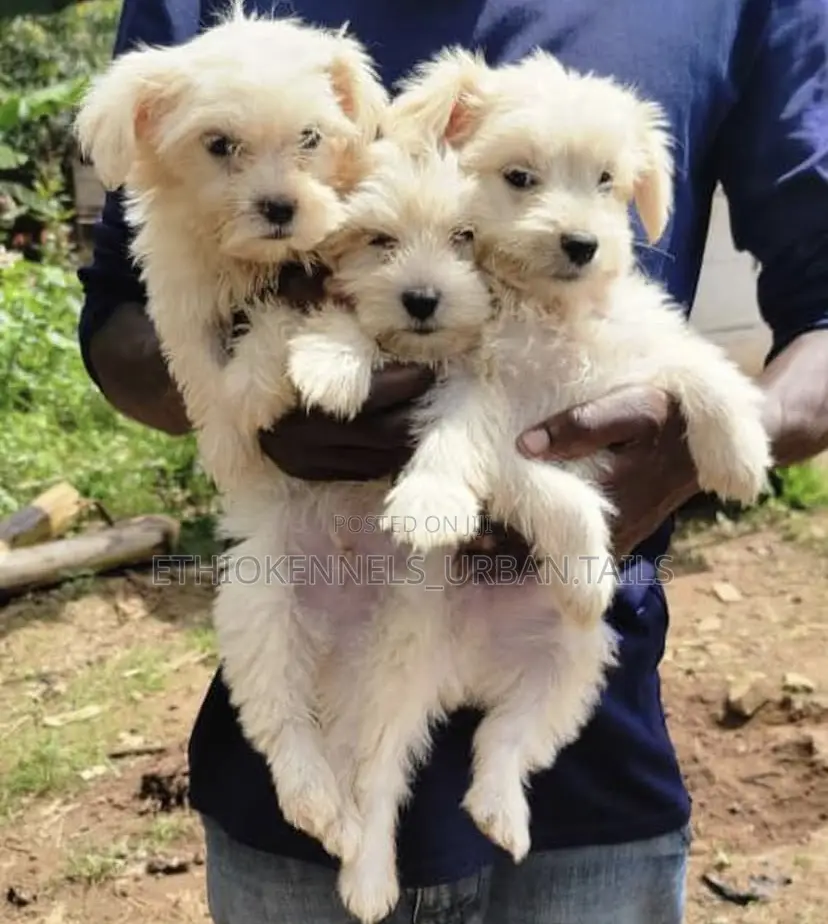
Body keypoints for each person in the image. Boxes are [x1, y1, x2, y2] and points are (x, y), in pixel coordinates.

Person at [77, 1, 828, 921]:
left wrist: (691, 441)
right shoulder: (205, 34)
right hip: (309, 731)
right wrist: (244, 397)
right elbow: (119, 308)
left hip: (588, 760)